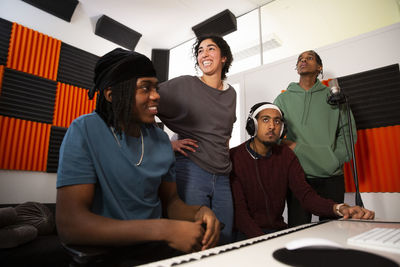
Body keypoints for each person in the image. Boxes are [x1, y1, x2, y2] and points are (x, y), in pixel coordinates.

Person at [56, 48, 221, 265]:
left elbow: (171, 202)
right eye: (145, 88)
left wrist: (199, 212)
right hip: (104, 255)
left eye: (155, 87)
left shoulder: (161, 140)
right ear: (112, 94)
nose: (156, 96)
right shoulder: (84, 130)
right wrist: (163, 229)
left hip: (153, 249)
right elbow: (71, 225)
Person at [230, 102, 374, 240]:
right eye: (265, 120)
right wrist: (263, 240)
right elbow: (240, 213)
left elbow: (306, 196)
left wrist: (340, 208)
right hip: (246, 234)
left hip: (277, 231)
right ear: (252, 125)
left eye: (277, 121)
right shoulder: (235, 157)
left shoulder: (286, 156)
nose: (272, 126)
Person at [157, 35, 236, 244]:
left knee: (224, 237)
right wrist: (167, 144)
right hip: (192, 170)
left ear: (224, 58)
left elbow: (225, 132)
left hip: (222, 175)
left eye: (211, 49)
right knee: (196, 238)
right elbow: (144, 102)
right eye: (200, 51)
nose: (204, 54)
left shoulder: (231, 94)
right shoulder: (185, 84)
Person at [273, 50, 357, 227]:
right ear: (297, 68)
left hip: (331, 176)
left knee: (333, 230)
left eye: (309, 58)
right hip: (298, 176)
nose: (303, 61)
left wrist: (334, 159)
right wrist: (292, 146)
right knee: (298, 230)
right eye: (300, 59)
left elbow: (348, 133)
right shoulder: (282, 99)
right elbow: (273, 133)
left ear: (319, 67)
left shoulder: (334, 97)